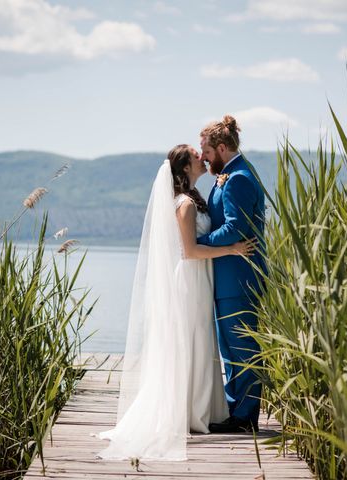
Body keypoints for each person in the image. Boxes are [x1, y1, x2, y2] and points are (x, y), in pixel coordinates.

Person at [97, 144, 255, 460]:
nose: (202, 158)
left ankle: (199, 408)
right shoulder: (184, 204)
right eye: (196, 157)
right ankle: (187, 411)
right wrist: (232, 249)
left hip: (201, 280)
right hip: (191, 279)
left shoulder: (195, 198)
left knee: (199, 339)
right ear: (184, 168)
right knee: (189, 339)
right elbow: (189, 251)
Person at [197, 115, 266, 434]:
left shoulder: (237, 177)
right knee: (230, 348)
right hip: (227, 275)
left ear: (222, 148)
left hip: (239, 276)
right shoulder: (229, 173)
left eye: (206, 151)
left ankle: (246, 418)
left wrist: (197, 242)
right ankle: (235, 412)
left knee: (242, 348)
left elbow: (235, 228)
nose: (203, 157)